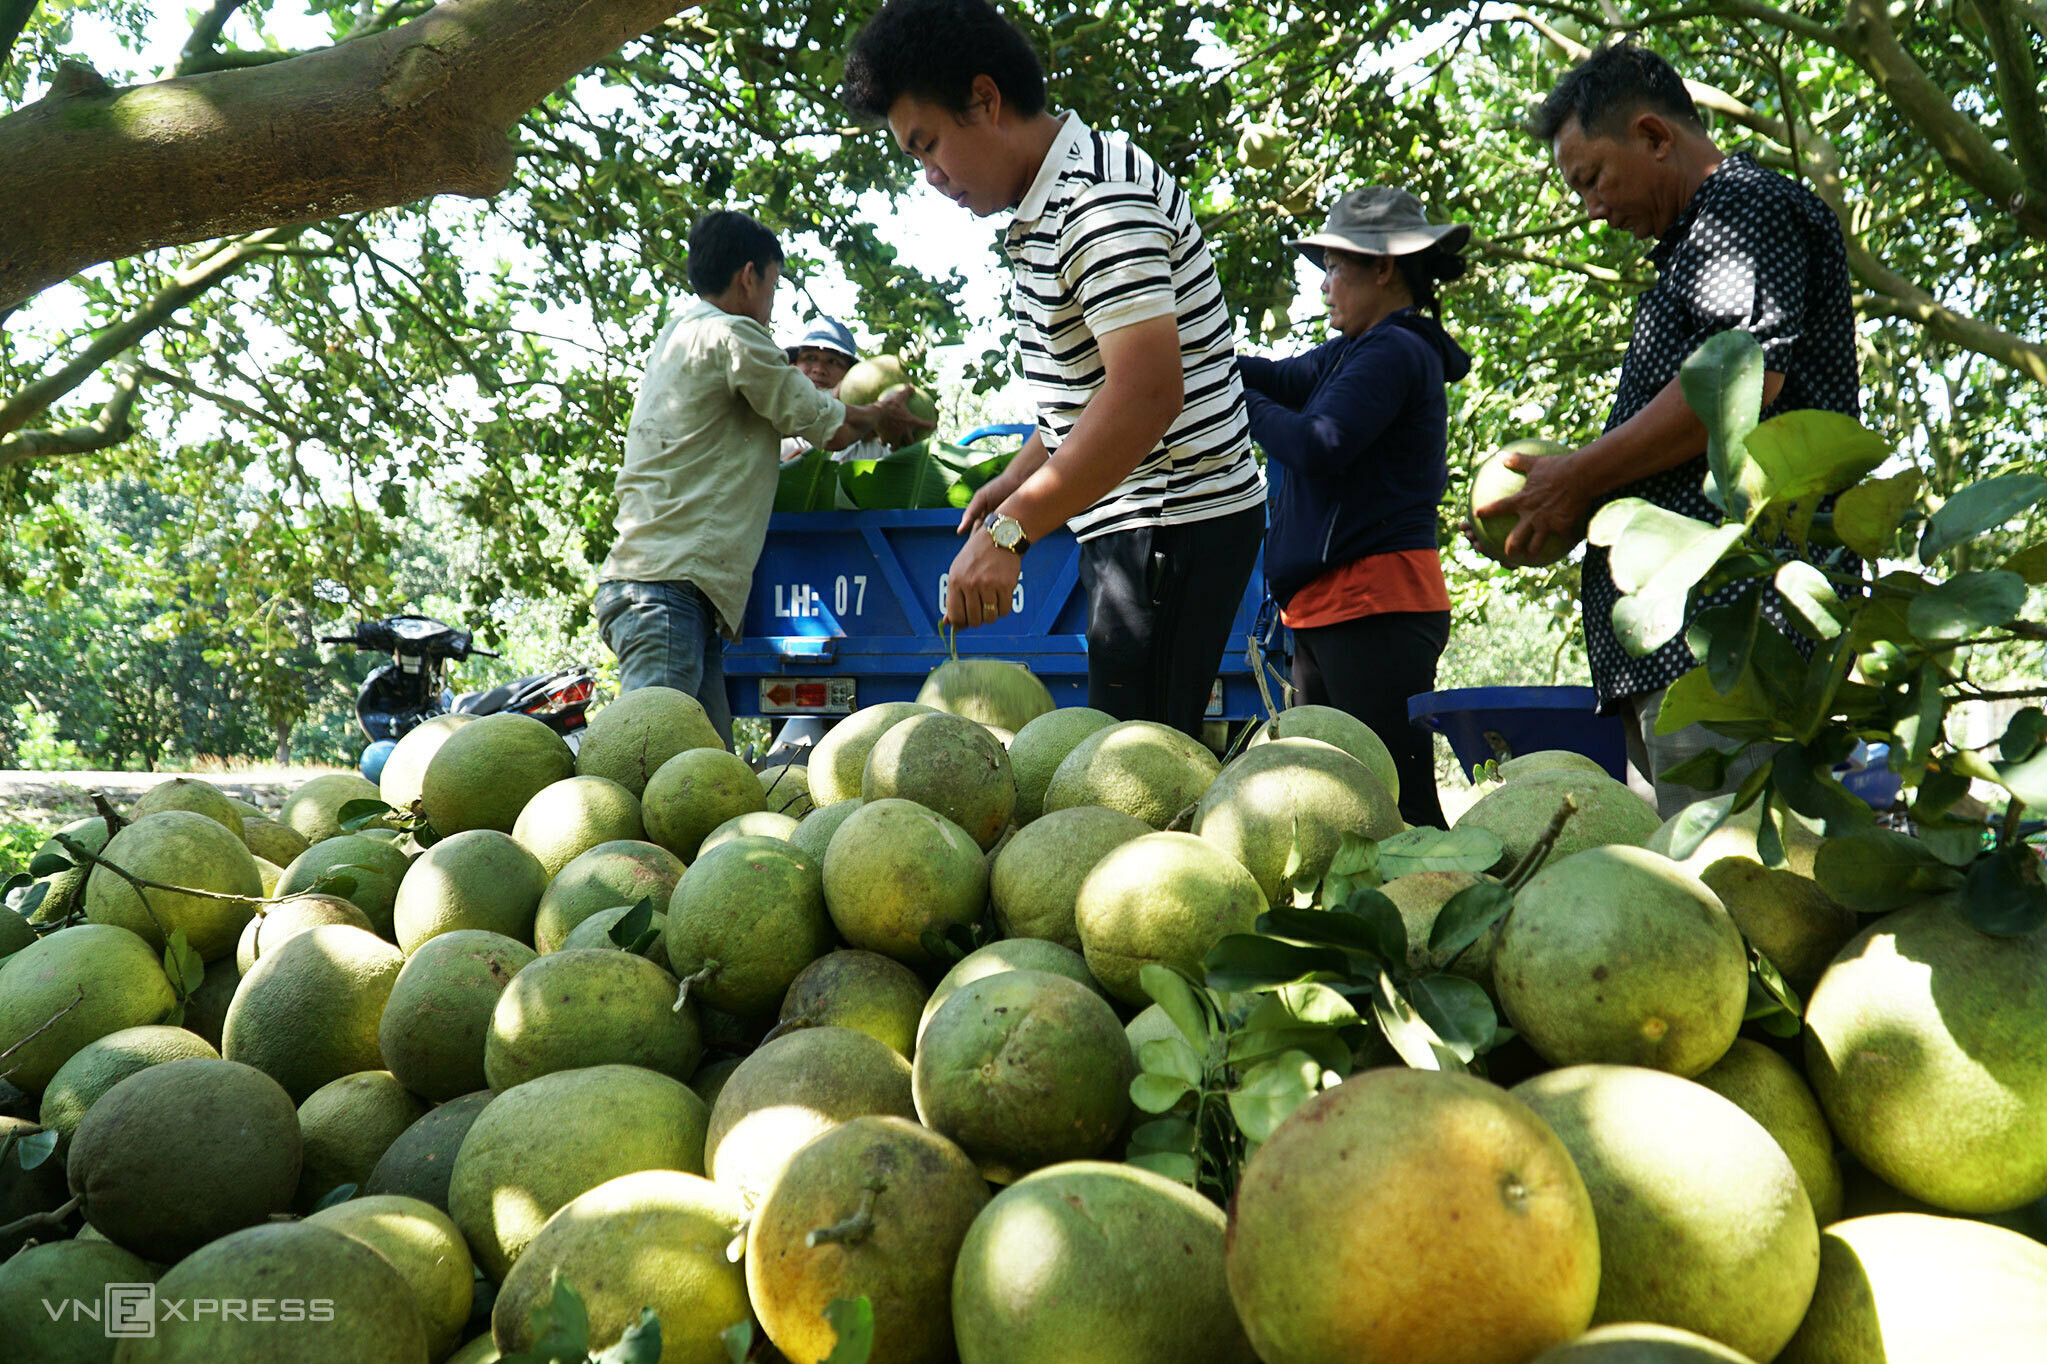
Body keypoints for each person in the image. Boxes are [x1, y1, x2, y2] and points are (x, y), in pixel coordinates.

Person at [843, 0, 1267, 739]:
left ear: (984, 99)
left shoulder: (1096, 200)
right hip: (1140, 518)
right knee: (1123, 759)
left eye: (928, 144)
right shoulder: (1051, 203)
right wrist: (1015, 478)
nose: (930, 177)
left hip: (1174, 518)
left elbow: (1145, 395)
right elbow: (1093, 393)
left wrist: (1012, 531)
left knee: (1136, 770)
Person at [1471, 41, 1859, 817]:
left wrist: (1577, 476)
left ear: (1653, 136)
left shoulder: (1741, 209)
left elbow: (1738, 387)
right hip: (1681, 650)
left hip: (1735, 630)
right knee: (1687, 905)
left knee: (1741, 887)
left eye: (1592, 178)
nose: (1590, 207)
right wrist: (1575, 495)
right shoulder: (1691, 246)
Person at [594, 211, 927, 745]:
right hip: (666, 591)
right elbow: (828, 426)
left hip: (671, 591)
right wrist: (879, 414)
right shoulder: (734, 335)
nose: (772, 302)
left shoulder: (680, 333)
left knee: (701, 773)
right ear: (749, 275)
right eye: (774, 284)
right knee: (648, 761)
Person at [1239, 188, 1471, 829]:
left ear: (1384, 268)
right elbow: (1280, 378)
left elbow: (1320, 445)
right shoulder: (1354, 350)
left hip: (1376, 605)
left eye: (1336, 267)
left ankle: (1442, 914)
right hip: (1331, 607)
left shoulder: (1396, 351)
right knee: (1342, 801)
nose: (1324, 286)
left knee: (1398, 802)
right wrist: (1197, 364)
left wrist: (1242, 410)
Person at [779, 316, 890, 466]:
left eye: (832, 362)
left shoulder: (870, 439)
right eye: (810, 358)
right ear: (794, 366)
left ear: (849, 375)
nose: (819, 369)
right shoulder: (772, 425)